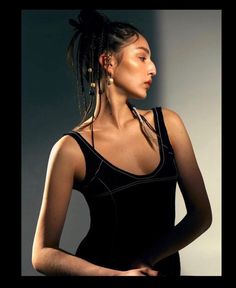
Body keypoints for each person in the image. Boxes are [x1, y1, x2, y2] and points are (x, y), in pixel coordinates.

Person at [32, 9, 212, 276]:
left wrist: (145, 259)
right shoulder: (71, 150)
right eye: (142, 57)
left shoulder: (168, 125)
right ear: (108, 62)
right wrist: (116, 275)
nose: (153, 68)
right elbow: (43, 254)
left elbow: (201, 216)